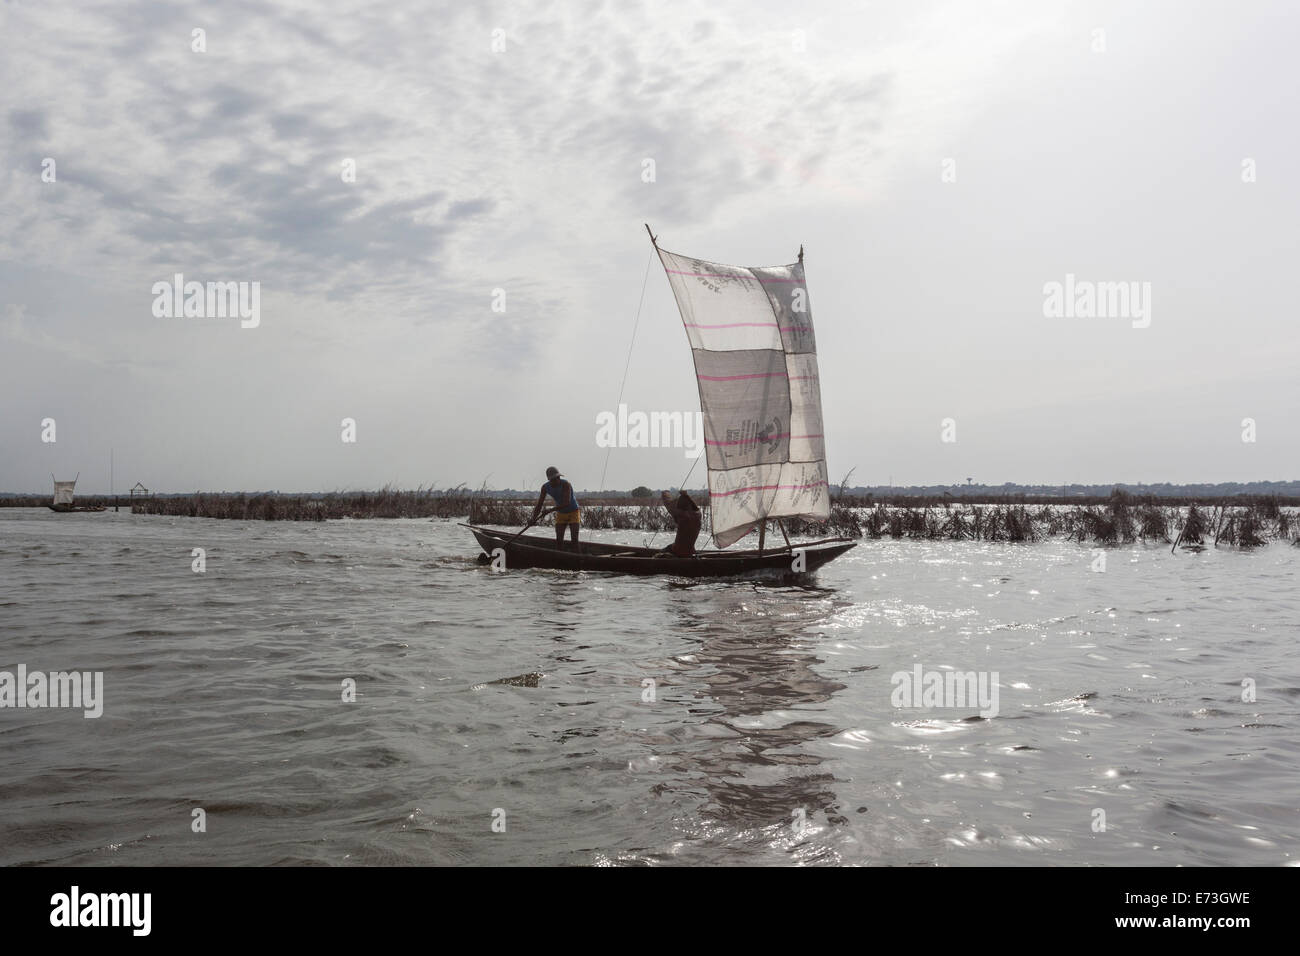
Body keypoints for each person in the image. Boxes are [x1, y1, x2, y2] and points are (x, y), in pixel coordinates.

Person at [533, 466, 580, 549]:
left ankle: (579, 559)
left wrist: (550, 510)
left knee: (574, 540)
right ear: (549, 480)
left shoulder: (566, 484)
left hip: (573, 512)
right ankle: (560, 557)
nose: (557, 480)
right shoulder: (545, 487)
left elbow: (566, 503)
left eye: (558, 478)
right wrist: (533, 518)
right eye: (554, 479)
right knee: (559, 540)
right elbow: (539, 504)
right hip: (561, 514)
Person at [658, 489, 702, 557]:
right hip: (691, 551)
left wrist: (665, 493)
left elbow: (669, 505)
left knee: (660, 553)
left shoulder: (682, 515)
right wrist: (686, 495)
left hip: (677, 551)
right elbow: (695, 507)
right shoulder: (698, 515)